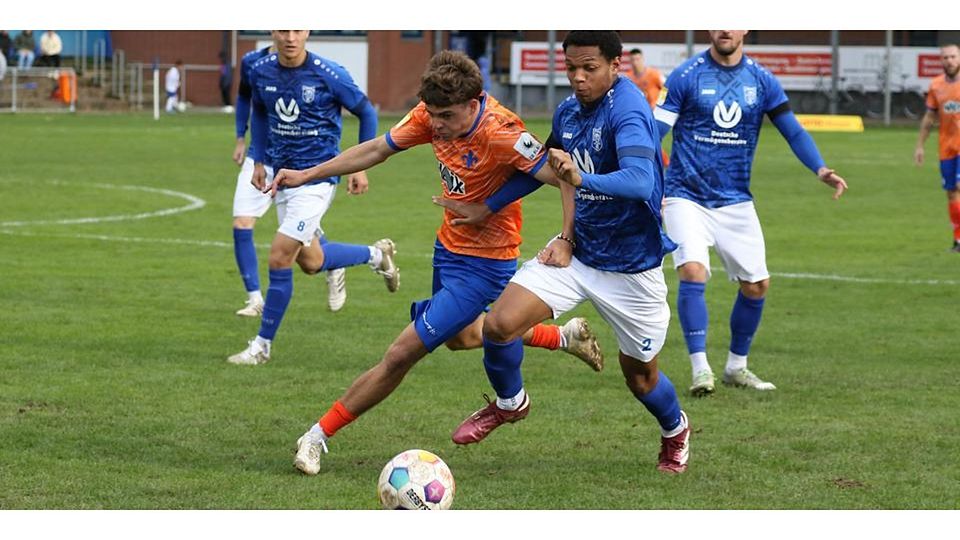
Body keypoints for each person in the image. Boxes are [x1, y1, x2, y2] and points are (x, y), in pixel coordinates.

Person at [267, 50, 604, 475]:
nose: (436, 126)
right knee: (461, 338)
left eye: (445, 116)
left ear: (472, 103)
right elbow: (376, 149)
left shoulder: (503, 131)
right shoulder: (431, 115)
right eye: (432, 114)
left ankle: (316, 436)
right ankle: (561, 338)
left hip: (487, 264)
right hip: (448, 248)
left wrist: (563, 237)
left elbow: (562, 177)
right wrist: (305, 175)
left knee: (400, 354)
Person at [447, 31, 691, 474]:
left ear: (616, 65)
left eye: (589, 69)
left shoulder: (629, 108)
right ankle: (510, 403)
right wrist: (487, 205)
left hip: (632, 269)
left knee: (641, 378)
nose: (578, 78)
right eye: (571, 68)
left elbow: (640, 181)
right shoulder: (569, 112)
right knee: (500, 324)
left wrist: (583, 180)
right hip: (576, 254)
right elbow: (544, 165)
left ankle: (675, 430)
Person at [653, 30, 848, 396]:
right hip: (685, 195)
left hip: (736, 200)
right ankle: (701, 371)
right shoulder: (685, 75)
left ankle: (735, 367)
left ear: (745, 29)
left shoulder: (762, 80)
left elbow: (792, 130)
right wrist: (645, 179)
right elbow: (655, 132)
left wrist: (820, 169)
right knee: (693, 270)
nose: (725, 28)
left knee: (757, 285)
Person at [227, 30, 398, 366]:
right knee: (312, 262)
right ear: (272, 31)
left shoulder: (329, 74)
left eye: (298, 29)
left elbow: (367, 113)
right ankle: (376, 256)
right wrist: (259, 159)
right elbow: (259, 113)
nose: (290, 37)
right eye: (283, 29)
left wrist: (358, 168)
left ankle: (262, 347)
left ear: (307, 31)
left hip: (318, 179)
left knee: (279, 256)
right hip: (282, 177)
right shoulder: (260, 70)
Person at [914, 43, 960, 253]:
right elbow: (930, 117)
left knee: (959, 188)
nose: (949, 61)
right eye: (945, 58)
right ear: (940, 60)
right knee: (951, 193)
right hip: (946, 147)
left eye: (953, 57)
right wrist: (920, 146)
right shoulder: (936, 85)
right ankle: (958, 239)